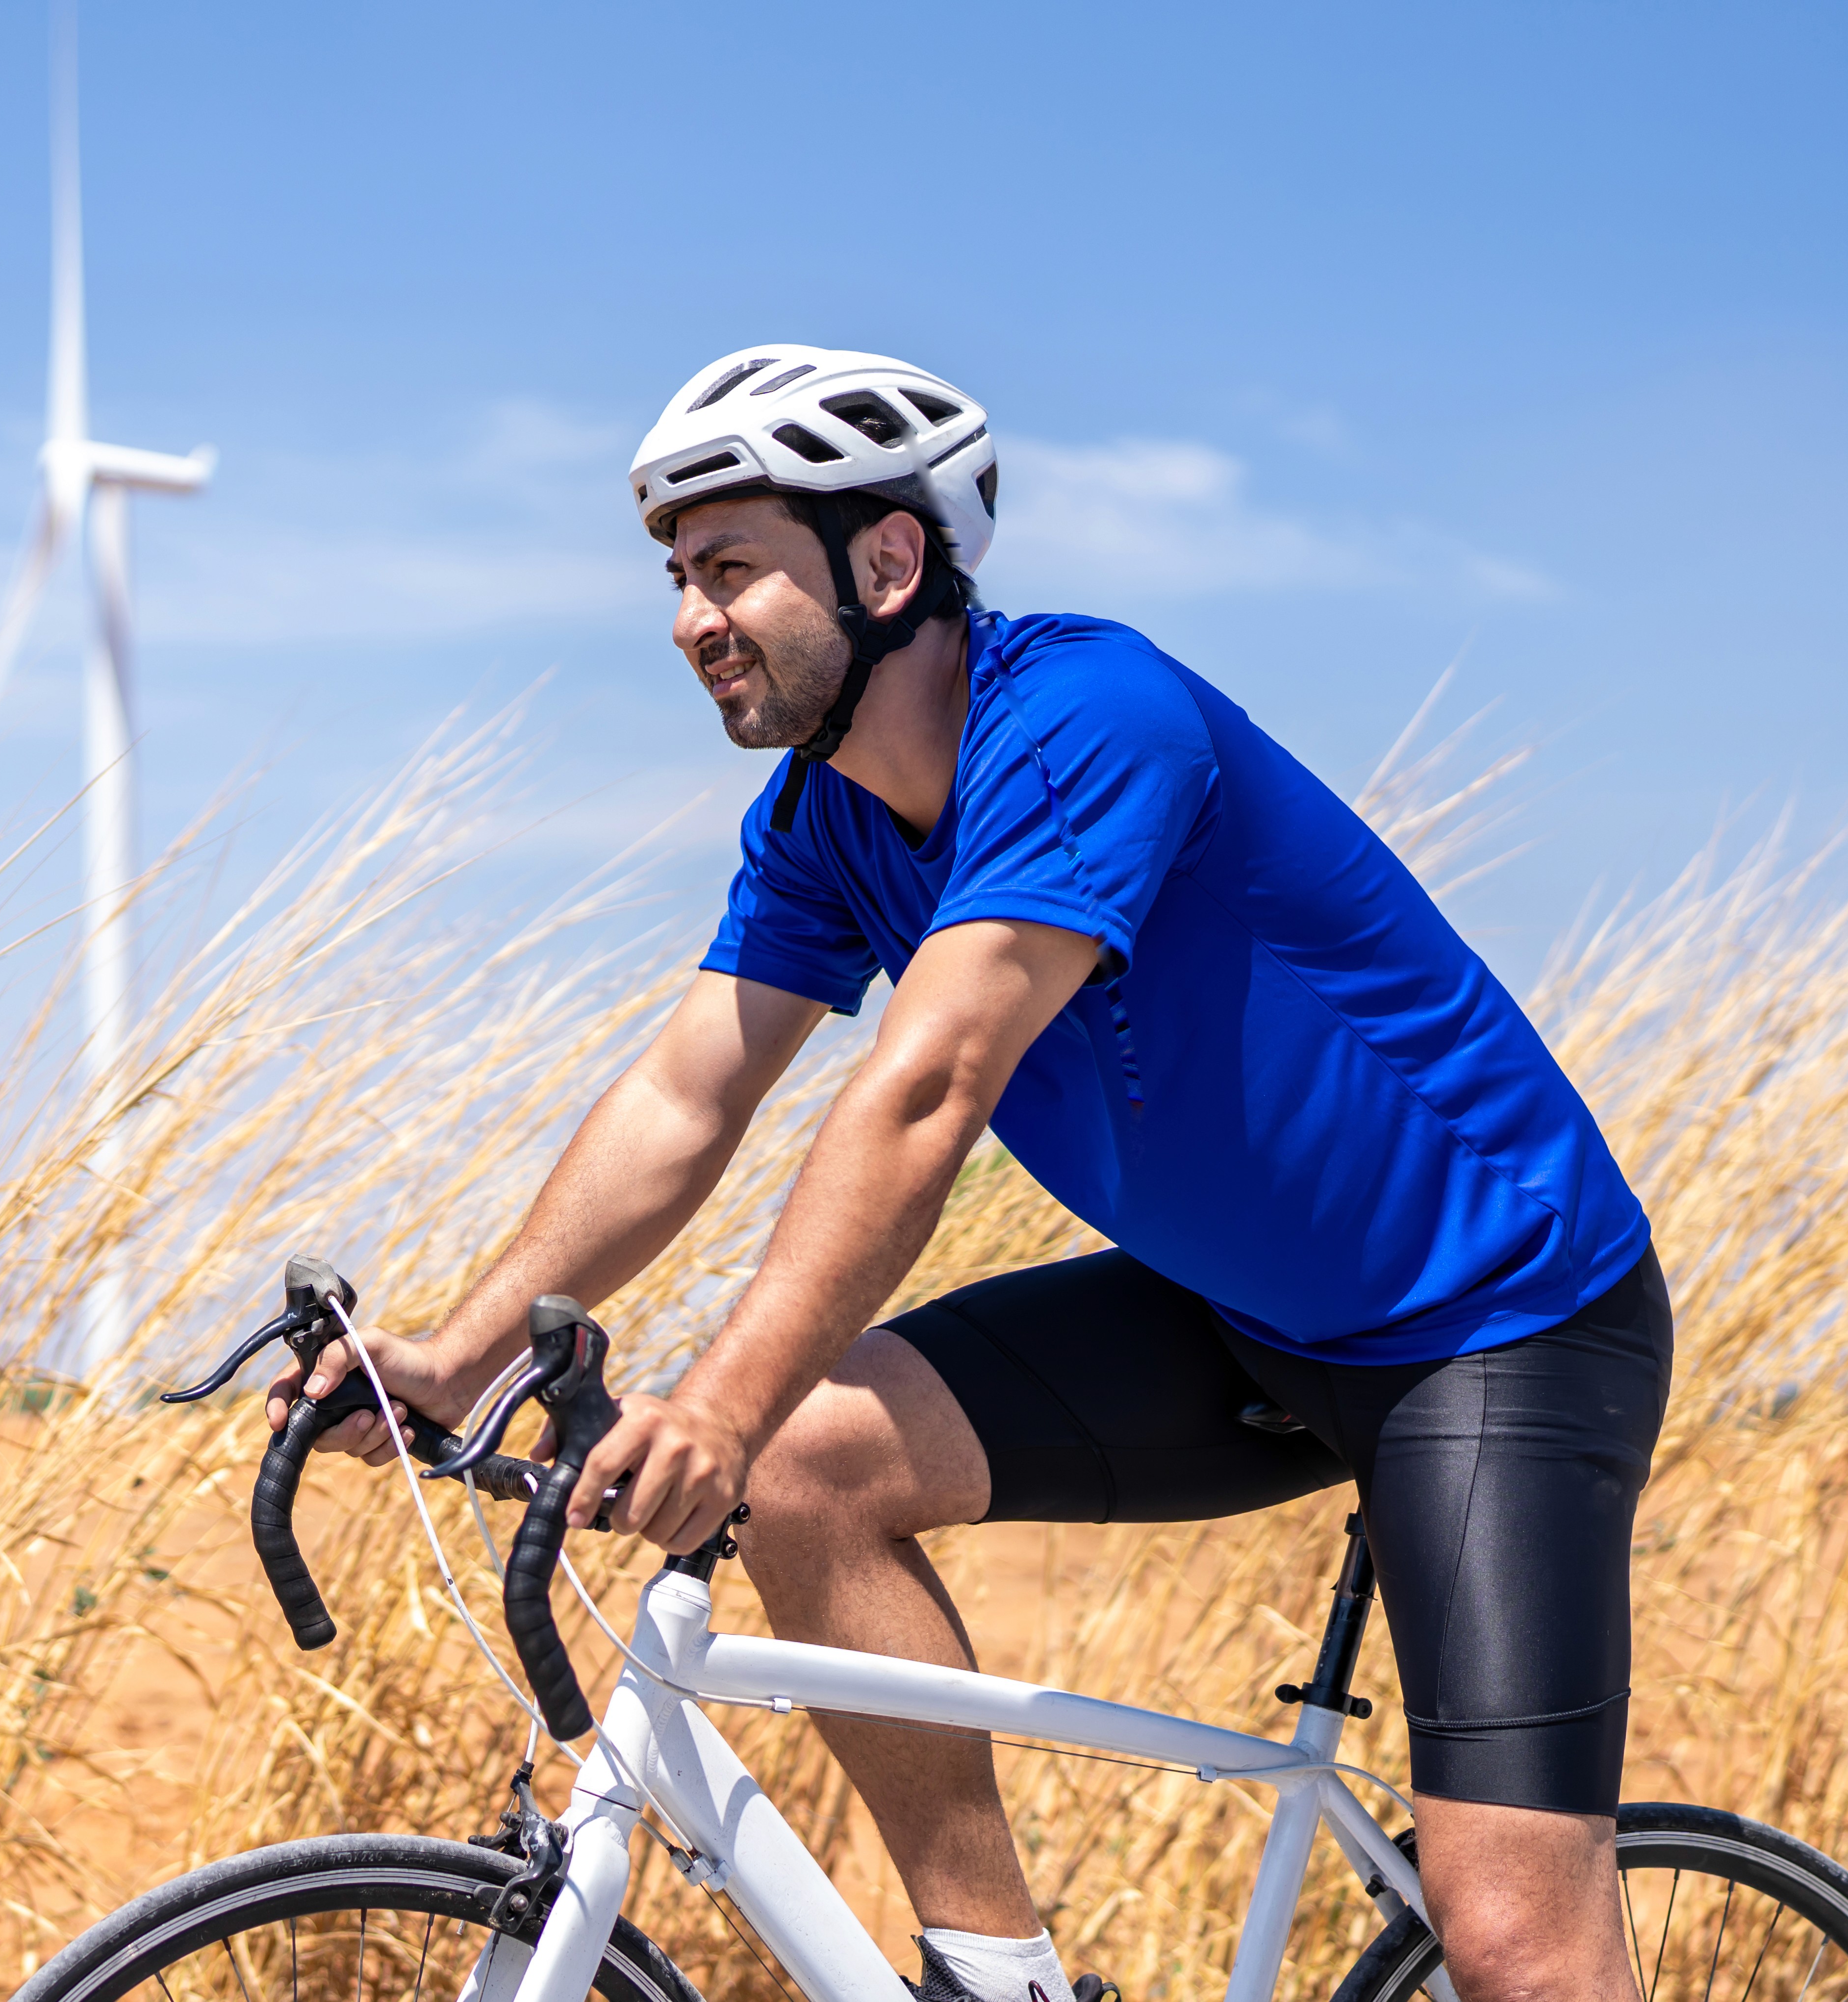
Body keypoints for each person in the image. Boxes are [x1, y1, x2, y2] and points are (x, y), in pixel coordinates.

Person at [268, 346, 1668, 2002]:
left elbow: (930, 1082)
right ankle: (999, 1978)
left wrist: (713, 1394)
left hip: (1495, 1326)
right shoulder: (825, 820)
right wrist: (456, 1349)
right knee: (807, 1463)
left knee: (1509, 1932)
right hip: (1239, 1318)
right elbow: (685, 1094)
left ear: (887, 562)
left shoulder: (1090, 719)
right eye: (677, 578)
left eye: (729, 568)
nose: (687, 618)